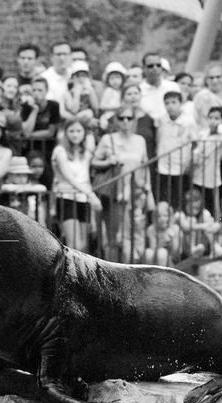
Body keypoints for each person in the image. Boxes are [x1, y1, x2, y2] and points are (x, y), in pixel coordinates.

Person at [92, 105, 150, 262]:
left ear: (134, 120)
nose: (125, 121)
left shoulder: (140, 140)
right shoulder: (107, 139)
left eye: (129, 118)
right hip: (115, 194)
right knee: (115, 235)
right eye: (122, 118)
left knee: (135, 233)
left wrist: (148, 192)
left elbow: (145, 167)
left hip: (136, 192)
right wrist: (109, 161)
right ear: (116, 120)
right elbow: (94, 161)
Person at [51, 117, 102, 252]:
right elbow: (69, 178)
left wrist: (89, 197)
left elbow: (86, 180)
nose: (75, 134)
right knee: (75, 245)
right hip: (67, 197)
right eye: (71, 131)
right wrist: (91, 194)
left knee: (84, 246)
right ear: (65, 133)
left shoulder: (85, 152)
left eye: (79, 131)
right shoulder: (60, 151)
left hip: (83, 199)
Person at [156, 90, 197, 211]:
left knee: (179, 197)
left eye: (174, 102)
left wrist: (190, 162)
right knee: (164, 196)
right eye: (167, 103)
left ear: (180, 103)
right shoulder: (162, 120)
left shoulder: (189, 122)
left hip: (181, 166)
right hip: (163, 165)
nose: (170, 106)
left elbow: (195, 143)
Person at [191, 106, 222, 216]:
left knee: (214, 208)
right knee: (198, 205)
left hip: (212, 178)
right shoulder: (203, 134)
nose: (213, 121)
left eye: (217, 118)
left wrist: (220, 126)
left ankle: (217, 225)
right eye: (210, 118)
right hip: (198, 174)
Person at [139, 52, 181, 120]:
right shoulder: (139, 90)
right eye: (150, 66)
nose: (155, 68)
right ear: (143, 68)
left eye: (158, 65)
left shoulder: (173, 87)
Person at [144, 201, 181, 266]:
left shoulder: (175, 228)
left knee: (162, 253)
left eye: (165, 216)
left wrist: (173, 239)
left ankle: (163, 275)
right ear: (155, 217)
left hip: (172, 262)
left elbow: (176, 253)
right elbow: (153, 248)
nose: (162, 219)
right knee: (148, 252)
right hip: (155, 260)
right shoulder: (151, 229)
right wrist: (163, 241)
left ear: (171, 216)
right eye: (159, 216)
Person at [40, 42, 72, 112]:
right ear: (51, 57)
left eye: (65, 54)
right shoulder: (44, 78)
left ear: (70, 56)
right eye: (58, 54)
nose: (62, 58)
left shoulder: (75, 74)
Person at [99, 62, 127, 128]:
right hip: (109, 116)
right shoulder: (109, 90)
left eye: (117, 78)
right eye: (112, 78)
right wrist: (116, 107)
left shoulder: (122, 91)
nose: (115, 81)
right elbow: (102, 106)